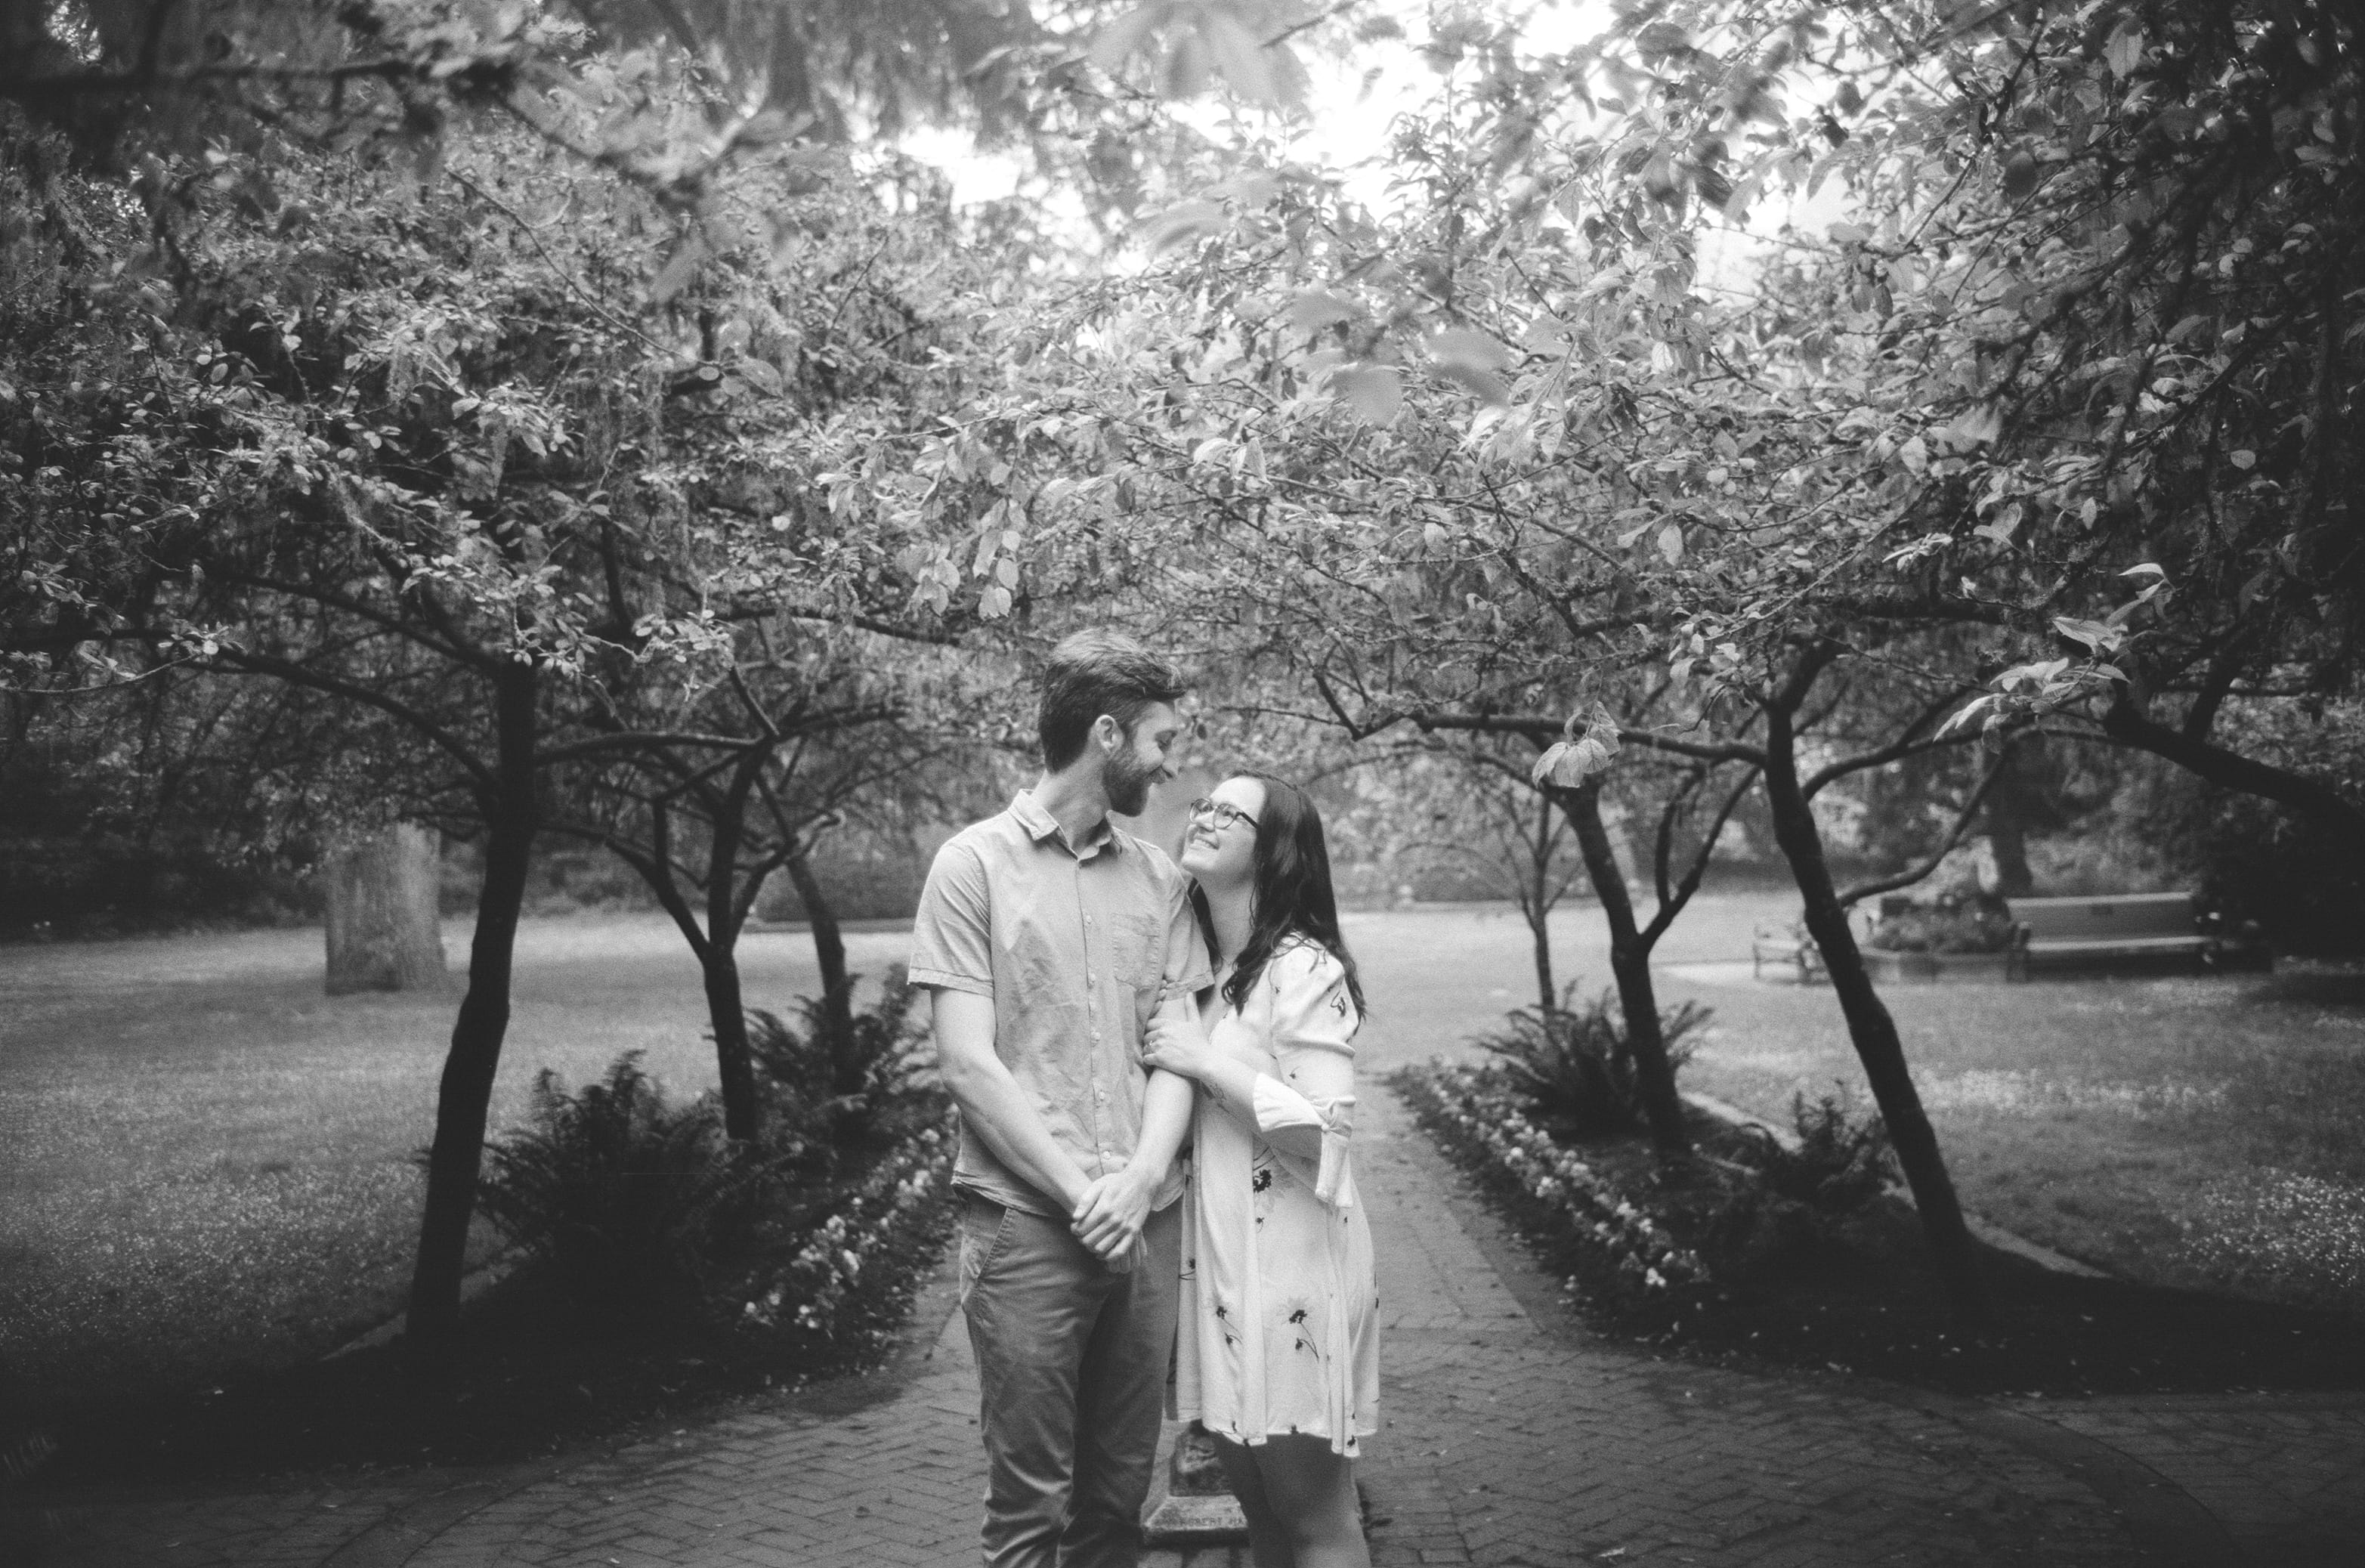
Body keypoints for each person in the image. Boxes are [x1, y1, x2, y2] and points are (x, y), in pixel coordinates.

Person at [908, 629, 1212, 1568]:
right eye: (1162, 741)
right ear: (1109, 735)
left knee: (1116, 1504)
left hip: (1145, 1224)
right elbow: (967, 1063)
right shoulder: (971, 866)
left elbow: (1179, 1052)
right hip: (1026, 1228)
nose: (1171, 765)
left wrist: (1139, 1181)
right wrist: (1084, 1192)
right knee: (1029, 1510)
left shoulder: (1162, 880)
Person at [1142, 773, 1377, 1568]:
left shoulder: (1302, 967)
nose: (1204, 816)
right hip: (1219, 1268)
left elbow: (1325, 1131)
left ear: (1272, 849)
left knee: (1315, 1515)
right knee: (1264, 1516)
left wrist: (1205, 1063)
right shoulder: (1209, 972)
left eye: (1228, 812)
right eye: (1203, 804)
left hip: (1291, 1274)